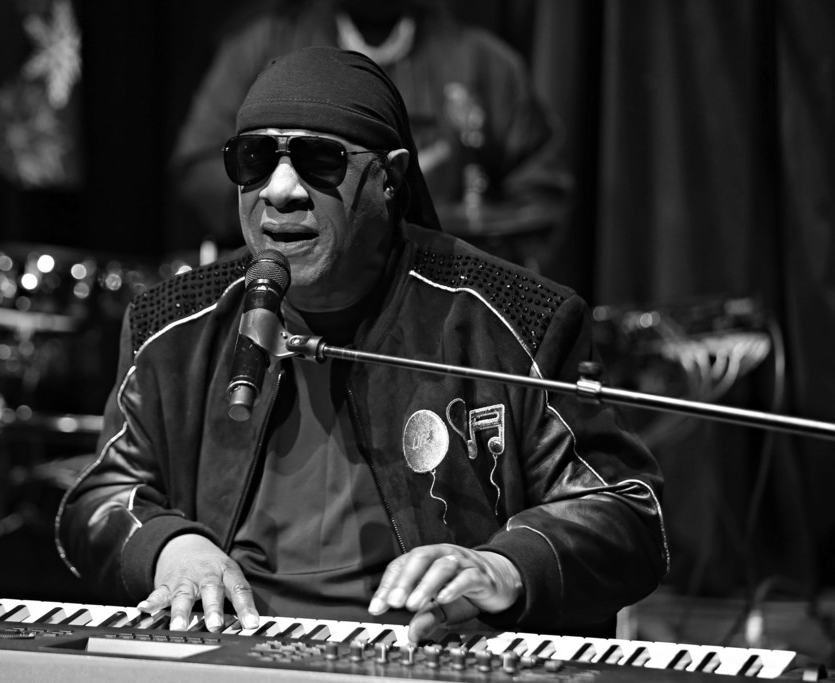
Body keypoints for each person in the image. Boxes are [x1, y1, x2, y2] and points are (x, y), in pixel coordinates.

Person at [57, 46, 667, 643]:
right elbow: (100, 498)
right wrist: (169, 547)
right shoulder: (173, 324)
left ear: (391, 178)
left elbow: (625, 514)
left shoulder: (513, 319)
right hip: (230, 652)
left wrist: (504, 568)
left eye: (319, 160)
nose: (280, 189)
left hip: (421, 658)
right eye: (254, 158)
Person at [167, 0, 572, 270]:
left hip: (437, 283)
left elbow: (541, 189)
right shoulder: (263, 43)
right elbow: (199, 164)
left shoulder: (483, 62)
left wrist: (422, 219)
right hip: (291, 278)